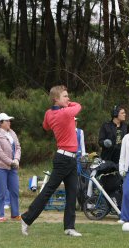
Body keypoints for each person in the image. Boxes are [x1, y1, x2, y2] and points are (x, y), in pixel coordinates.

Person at [21, 85, 82, 236]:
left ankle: (69, 227)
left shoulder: (50, 113)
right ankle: (26, 218)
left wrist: (64, 105)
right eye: (65, 96)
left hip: (70, 158)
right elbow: (78, 106)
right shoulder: (65, 113)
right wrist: (69, 105)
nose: (68, 99)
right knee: (48, 191)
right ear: (56, 99)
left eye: (68, 96)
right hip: (64, 158)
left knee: (72, 192)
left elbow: (46, 126)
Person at [0, 113, 21, 222]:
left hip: (13, 166)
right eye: (7, 121)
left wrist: (17, 160)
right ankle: (1, 215)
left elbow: (18, 147)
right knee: (2, 191)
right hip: (0, 167)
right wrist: (11, 162)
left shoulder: (12, 133)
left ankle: (15, 214)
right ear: (0, 123)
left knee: (14, 191)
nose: (9, 122)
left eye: (9, 120)